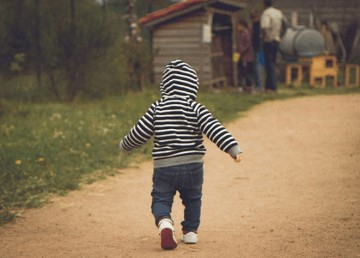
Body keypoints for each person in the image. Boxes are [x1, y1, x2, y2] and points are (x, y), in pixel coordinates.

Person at [119, 60, 242, 250]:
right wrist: (232, 148)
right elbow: (214, 128)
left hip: (164, 167)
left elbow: (139, 132)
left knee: (161, 198)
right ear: (192, 85)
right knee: (193, 198)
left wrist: (125, 145)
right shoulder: (195, 108)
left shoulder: (157, 108)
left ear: (165, 85)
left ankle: (165, 223)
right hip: (193, 166)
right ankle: (191, 232)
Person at [260, 0, 283, 93]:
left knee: (269, 64)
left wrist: (268, 38)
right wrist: (280, 36)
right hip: (277, 40)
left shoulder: (266, 13)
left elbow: (265, 27)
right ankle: (268, 86)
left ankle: (272, 87)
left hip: (269, 41)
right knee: (272, 63)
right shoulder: (278, 13)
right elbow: (285, 25)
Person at [235, 19, 255, 92]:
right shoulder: (239, 34)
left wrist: (241, 51)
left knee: (247, 72)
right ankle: (240, 86)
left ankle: (249, 86)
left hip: (246, 57)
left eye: (239, 26)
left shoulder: (246, 33)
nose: (237, 27)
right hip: (240, 56)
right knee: (240, 71)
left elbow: (247, 44)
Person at [250, 9, 263, 92]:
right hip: (259, 47)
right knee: (258, 66)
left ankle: (259, 85)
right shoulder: (258, 24)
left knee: (257, 67)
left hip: (257, 48)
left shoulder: (257, 25)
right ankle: (258, 84)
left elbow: (255, 38)